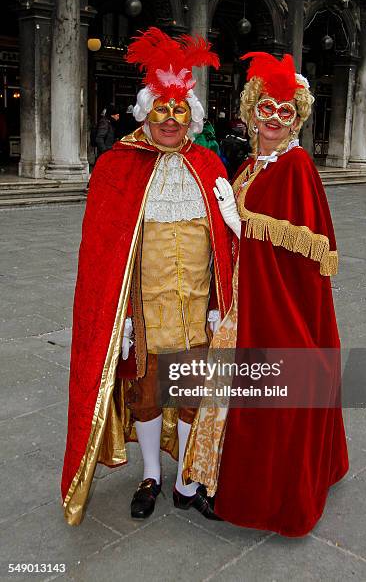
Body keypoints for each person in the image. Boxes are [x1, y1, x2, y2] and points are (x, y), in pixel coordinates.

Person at [61, 27, 233, 525]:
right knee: (146, 393)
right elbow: (104, 253)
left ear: (193, 118)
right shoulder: (118, 166)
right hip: (143, 308)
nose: (171, 121)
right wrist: (121, 320)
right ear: (145, 112)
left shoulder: (210, 164)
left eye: (180, 112)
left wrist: (223, 298)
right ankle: (152, 475)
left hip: (199, 308)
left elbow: (228, 244)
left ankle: (185, 482)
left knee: (194, 393)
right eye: (161, 110)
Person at [186, 51, 349, 536]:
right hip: (245, 295)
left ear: (296, 118)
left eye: (285, 112)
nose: (274, 120)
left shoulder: (296, 165)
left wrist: (244, 224)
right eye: (266, 109)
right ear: (251, 110)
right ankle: (216, 476)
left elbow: (304, 247)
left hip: (276, 307)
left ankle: (261, 494)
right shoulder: (257, 162)